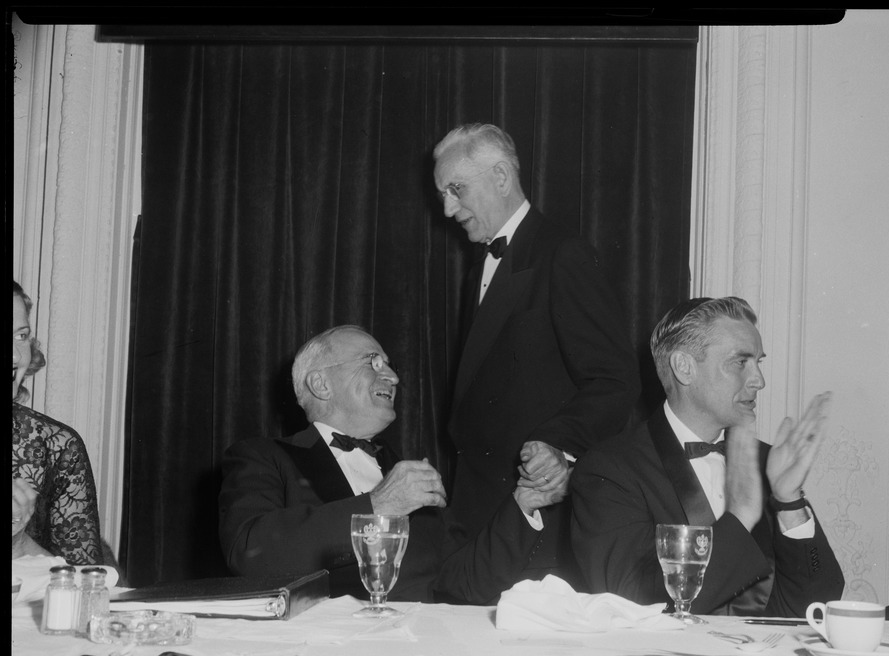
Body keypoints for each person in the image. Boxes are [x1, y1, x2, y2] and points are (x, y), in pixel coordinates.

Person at [219, 325, 566, 603]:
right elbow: (250, 554)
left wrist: (523, 506)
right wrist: (379, 505)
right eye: (372, 362)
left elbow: (463, 582)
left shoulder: (402, 470)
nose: (393, 378)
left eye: (389, 365)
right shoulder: (263, 456)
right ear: (321, 384)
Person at [433, 123, 641, 587]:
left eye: (456, 189)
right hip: (480, 519)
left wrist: (558, 446)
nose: (448, 207)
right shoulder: (482, 268)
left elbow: (615, 379)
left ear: (502, 177)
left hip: (535, 520)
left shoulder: (562, 254)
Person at [570, 296, 844, 616]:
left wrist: (789, 501)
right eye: (741, 362)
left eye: (759, 362)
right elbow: (633, 603)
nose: (759, 381)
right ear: (684, 368)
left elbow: (819, 605)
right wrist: (739, 516)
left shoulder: (769, 463)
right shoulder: (609, 469)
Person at [12, 281, 104, 565]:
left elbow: (85, 588)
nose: (16, 356)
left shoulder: (57, 446)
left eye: (21, 335)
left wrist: (16, 542)